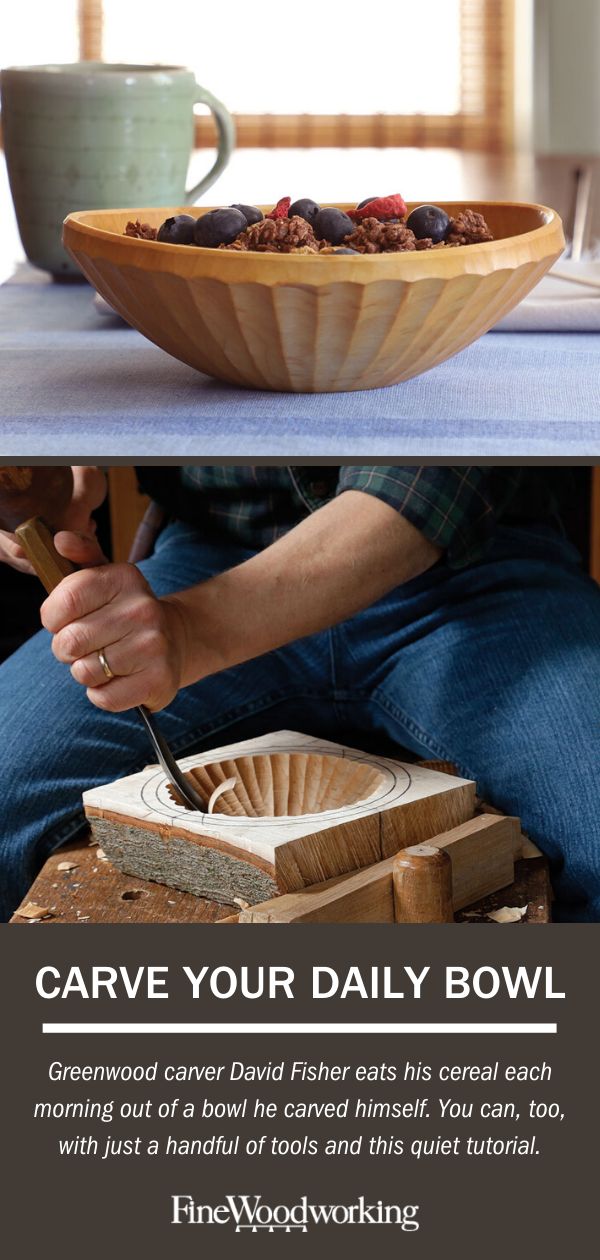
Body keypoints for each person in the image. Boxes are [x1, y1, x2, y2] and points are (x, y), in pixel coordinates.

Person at [0, 465, 598, 922]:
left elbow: (427, 483)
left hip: (478, 566)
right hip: (215, 553)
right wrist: (61, 470)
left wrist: (191, 633)